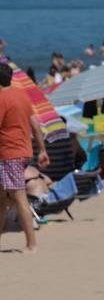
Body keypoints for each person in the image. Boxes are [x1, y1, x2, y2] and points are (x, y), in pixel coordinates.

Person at [1, 65, 49, 252]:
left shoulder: (2, 98)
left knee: (19, 197)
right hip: (23, 152)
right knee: (1, 200)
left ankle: (31, 244)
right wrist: (42, 149)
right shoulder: (21, 95)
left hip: (9, 154)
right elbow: (35, 124)